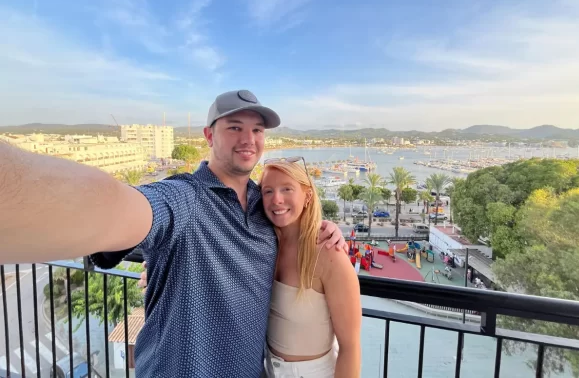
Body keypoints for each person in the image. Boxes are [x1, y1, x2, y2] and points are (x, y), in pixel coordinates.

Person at [0, 90, 347, 377]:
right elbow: (120, 207)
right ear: (209, 136)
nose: (248, 139)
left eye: (257, 131)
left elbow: (294, 220)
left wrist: (324, 227)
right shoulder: (184, 197)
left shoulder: (264, 204)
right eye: (235, 128)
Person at [140, 158, 362, 377]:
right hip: (265, 370)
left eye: (287, 189)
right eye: (267, 191)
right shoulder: (264, 243)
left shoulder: (329, 255)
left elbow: (351, 347)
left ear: (308, 196)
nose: (277, 199)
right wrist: (164, 271)